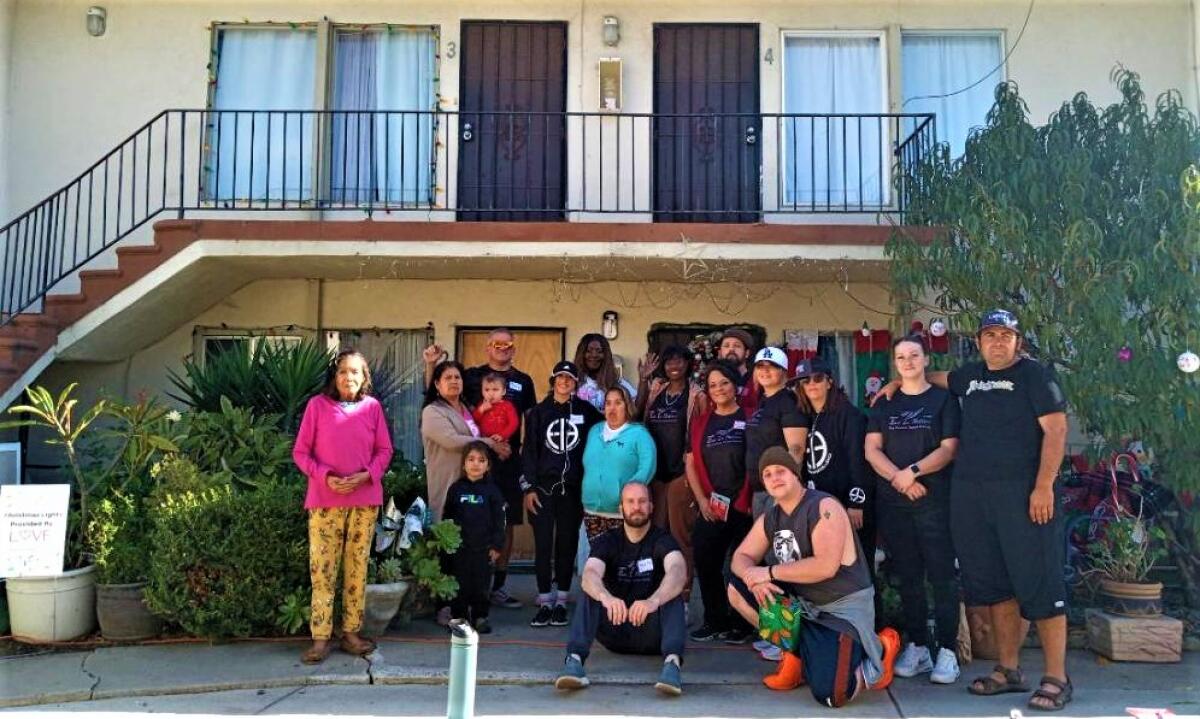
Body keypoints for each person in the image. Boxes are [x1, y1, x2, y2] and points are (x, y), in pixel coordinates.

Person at [876, 309, 1071, 710]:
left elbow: (1056, 430)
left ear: (1018, 341)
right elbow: (937, 378)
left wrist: (1043, 486)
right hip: (975, 499)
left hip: (1024, 497)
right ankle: (1008, 670)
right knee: (997, 587)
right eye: (990, 335)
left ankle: (1057, 677)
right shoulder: (972, 376)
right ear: (979, 341)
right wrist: (902, 380)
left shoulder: (1036, 376)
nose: (997, 342)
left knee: (1040, 584)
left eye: (1005, 335)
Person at [727, 447, 900, 707]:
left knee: (833, 695)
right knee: (738, 587)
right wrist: (754, 577)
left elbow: (825, 567)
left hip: (840, 613)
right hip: (805, 608)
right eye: (767, 474)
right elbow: (740, 558)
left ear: (796, 474)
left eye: (780, 471)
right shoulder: (771, 517)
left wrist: (768, 572)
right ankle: (795, 656)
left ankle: (880, 650)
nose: (774, 478)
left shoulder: (823, 506)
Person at [865, 335, 962, 684]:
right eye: (901, 357)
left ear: (925, 360)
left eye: (914, 355)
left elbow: (949, 449)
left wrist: (914, 472)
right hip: (895, 504)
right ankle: (918, 646)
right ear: (895, 363)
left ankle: (947, 651)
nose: (907, 362)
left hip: (934, 502)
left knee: (941, 577)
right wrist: (900, 479)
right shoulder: (884, 403)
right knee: (908, 578)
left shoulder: (943, 400)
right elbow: (872, 450)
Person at [293, 349, 394, 664]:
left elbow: (384, 450)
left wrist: (367, 475)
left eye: (355, 372)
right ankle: (320, 638)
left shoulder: (373, 408)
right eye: (342, 372)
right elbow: (301, 452)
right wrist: (325, 477)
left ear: (364, 377)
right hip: (325, 501)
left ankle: (351, 632)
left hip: (364, 501)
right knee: (322, 570)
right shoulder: (317, 407)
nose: (348, 377)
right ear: (334, 377)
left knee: (357, 568)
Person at [426, 329, 535, 610]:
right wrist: (431, 366)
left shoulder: (524, 381)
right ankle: (460, 593)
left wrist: (524, 450)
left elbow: (531, 420)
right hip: (474, 462)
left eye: (507, 344)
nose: (502, 348)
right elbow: (436, 395)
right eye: (496, 344)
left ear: (513, 348)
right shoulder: (471, 377)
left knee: (505, 522)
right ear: (487, 347)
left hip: (508, 462)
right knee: (466, 519)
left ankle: (497, 586)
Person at [554, 481, 688, 697]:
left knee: (673, 595)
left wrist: (653, 601)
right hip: (615, 629)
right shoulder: (608, 541)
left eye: (643, 501)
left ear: (651, 507)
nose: (637, 506)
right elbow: (589, 575)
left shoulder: (662, 539)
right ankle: (574, 662)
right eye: (631, 501)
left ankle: (672, 666)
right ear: (621, 509)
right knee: (589, 590)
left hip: (653, 634)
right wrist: (606, 598)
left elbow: (678, 570)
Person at [521, 360, 604, 627]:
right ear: (553, 380)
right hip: (542, 489)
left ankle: (561, 601)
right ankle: (545, 600)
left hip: (573, 489)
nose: (564, 382)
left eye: (570, 378)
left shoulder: (587, 411)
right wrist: (528, 488)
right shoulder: (537, 413)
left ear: (575, 383)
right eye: (560, 378)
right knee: (543, 545)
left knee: (567, 544)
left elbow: (604, 435)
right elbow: (529, 452)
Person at [792, 358, 876, 615]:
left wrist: (856, 503)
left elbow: (858, 461)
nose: (812, 384)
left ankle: (868, 636)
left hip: (848, 507)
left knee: (857, 572)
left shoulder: (849, 416)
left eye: (817, 378)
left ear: (830, 382)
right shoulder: (808, 417)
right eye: (806, 381)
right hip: (820, 508)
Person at [685, 362, 756, 644]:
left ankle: (742, 624)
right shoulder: (702, 421)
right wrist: (701, 500)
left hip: (743, 504)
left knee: (741, 566)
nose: (719, 389)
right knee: (705, 561)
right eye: (713, 385)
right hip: (711, 506)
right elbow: (690, 462)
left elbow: (756, 461)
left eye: (724, 383)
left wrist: (745, 500)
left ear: (735, 385)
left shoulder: (751, 417)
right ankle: (715, 620)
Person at [636, 345, 703, 603]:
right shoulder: (656, 391)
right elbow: (637, 411)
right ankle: (654, 594)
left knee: (680, 538)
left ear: (688, 364)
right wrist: (643, 378)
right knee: (654, 536)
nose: (673, 365)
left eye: (679, 360)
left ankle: (682, 598)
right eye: (668, 361)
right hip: (655, 475)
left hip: (680, 475)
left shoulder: (696, 395)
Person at [421, 360, 506, 522]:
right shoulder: (432, 411)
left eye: (457, 377)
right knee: (448, 534)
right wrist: (490, 443)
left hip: (473, 483)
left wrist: (500, 442)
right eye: (448, 378)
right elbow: (451, 440)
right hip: (448, 481)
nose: (454, 381)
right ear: (437, 384)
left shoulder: (467, 408)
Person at [443, 441, 507, 634]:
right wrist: (447, 544)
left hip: (483, 548)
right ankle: (460, 619)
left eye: (481, 460)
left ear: (488, 465)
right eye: (471, 459)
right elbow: (448, 517)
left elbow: (500, 521)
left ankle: (480, 617)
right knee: (460, 585)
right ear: (463, 464)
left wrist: (497, 545)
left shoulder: (493, 492)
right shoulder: (456, 489)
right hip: (460, 549)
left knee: (481, 585)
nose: (475, 464)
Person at [581, 386, 656, 540]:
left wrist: (629, 493)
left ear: (627, 405)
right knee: (595, 560)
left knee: (619, 561)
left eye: (618, 403)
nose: (612, 408)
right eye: (608, 403)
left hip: (622, 513)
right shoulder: (595, 431)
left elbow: (647, 467)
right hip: (591, 512)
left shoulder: (639, 434)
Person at [744, 346, 809, 517]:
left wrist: (784, 493)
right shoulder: (763, 401)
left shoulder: (788, 402)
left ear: (783, 371)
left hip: (778, 491)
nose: (765, 371)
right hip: (760, 490)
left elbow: (796, 450)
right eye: (760, 366)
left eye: (771, 366)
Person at [573, 333, 637, 411]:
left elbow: (635, 408)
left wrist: (644, 380)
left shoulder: (618, 383)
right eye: (588, 351)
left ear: (606, 355)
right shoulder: (572, 382)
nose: (594, 355)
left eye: (599, 351)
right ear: (581, 354)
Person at [718, 328, 758, 413]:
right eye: (726, 346)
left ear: (747, 353)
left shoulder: (756, 380)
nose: (731, 349)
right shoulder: (714, 382)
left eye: (737, 346)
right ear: (720, 352)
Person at [473, 373, 520, 445]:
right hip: (483, 441)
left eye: (495, 390)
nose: (491, 393)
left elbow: (514, 423)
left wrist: (502, 435)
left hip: (501, 441)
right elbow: (473, 420)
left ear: (503, 391)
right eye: (487, 390)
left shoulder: (507, 406)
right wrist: (481, 410)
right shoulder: (481, 405)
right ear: (482, 392)